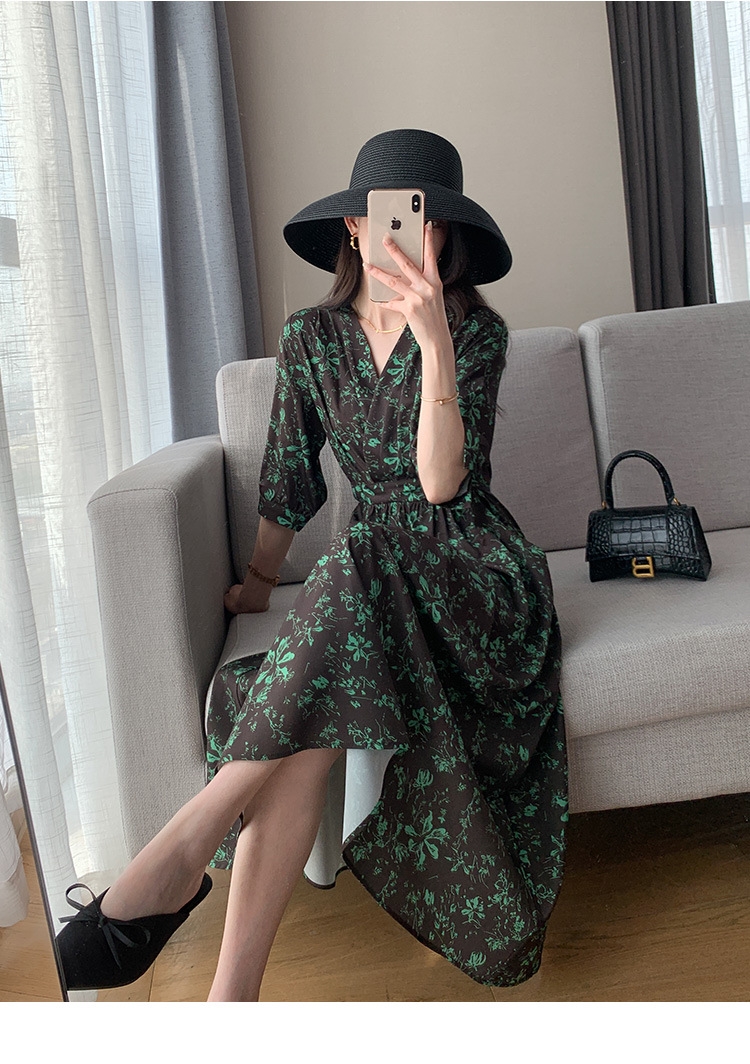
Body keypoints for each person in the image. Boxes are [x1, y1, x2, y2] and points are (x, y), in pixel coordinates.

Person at [56, 129, 569, 1001]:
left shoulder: (474, 332)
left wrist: (435, 342)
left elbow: (441, 486)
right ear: (354, 226)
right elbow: (289, 478)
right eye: (396, 217)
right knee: (320, 686)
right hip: (373, 580)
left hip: (475, 574)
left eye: (431, 222)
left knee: (362, 550)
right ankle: (232, 999)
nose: (414, 237)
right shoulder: (311, 338)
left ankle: (187, 841)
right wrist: (258, 582)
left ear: (447, 235)